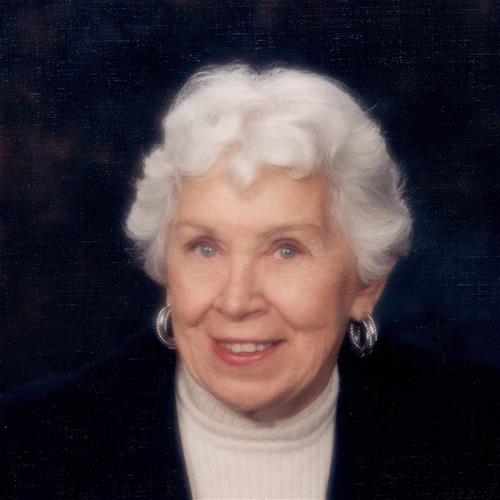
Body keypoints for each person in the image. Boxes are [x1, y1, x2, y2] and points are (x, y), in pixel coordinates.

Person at [1, 63, 498, 499]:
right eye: (205, 248)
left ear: (368, 284)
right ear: (166, 269)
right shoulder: (27, 445)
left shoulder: (478, 433)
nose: (237, 301)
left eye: (286, 250)